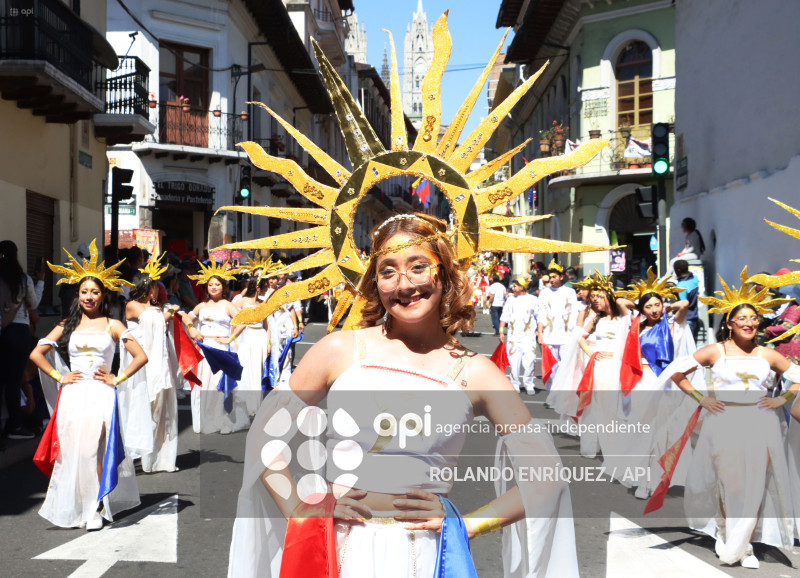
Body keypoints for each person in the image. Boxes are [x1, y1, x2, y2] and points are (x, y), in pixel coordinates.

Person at [228, 213, 578, 577]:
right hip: (337, 552)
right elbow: (265, 436)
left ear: (444, 272)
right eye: (388, 271)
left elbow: (546, 476)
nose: (404, 283)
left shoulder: (476, 372)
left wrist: (468, 525)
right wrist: (299, 510)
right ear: (374, 282)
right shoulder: (339, 350)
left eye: (418, 266)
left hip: (425, 557)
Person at [660, 270, 799, 569]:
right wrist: (702, 398)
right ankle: (725, 531)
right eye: (742, 319)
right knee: (729, 482)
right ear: (729, 323)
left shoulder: (768, 354)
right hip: (723, 420)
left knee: (756, 484)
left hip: (761, 422)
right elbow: (677, 373)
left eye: (753, 318)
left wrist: (781, 399)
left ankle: (744, 545)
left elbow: (797, 379)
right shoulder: (715, 351)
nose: (749, 323)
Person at [30, 240, 146, 530]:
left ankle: (94, 507)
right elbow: (36, 353)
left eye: (94, 292)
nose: (89, 297)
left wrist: (116, 378)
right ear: (78, 294)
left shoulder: (113, 324)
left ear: (103, 294)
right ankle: (79, 504)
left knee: (93, 450)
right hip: (73, 394)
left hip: (101, 394)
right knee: (73, 451)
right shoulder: (68, 323)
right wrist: (60, 377)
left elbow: (141, 356)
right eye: (84, 292)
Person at [547, 271, 634, 484]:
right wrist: (591, 353)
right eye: (593, 296)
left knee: (619, 410)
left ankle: (618, 447)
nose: (595, 299)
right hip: (601, 367)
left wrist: (611, 295)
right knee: (601, 408)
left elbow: (627, 303)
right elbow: (580, 338)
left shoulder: (623, 316)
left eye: (599, 296)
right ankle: (604, 449)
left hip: (620, 367)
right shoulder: (595, 317)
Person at [614, 268, 695, 499]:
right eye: (648, 306)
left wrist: (665, 303)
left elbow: (684, 305)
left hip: (664, 384)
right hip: (643, 382)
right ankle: (643, 480)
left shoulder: (670, 324)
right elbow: (621, 301)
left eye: (657, 305)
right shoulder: (635, 326)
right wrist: (642, 301)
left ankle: (655, 478)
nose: (654, 310)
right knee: (643, 432)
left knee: (661, 433)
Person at [122, 254, 179, 472]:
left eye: (156, 286)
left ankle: (160, 457)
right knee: (140, 407)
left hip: (160, 360)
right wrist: (170, 311)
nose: (156, 290)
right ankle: (139, 453)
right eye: (153, 285)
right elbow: (154, 318)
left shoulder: (159, 307)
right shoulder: (133, 305)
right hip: (140, 362)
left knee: (160, 409)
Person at [182, 262, 250, 434]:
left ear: (223, 286)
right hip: (203, 349)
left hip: (220, 350)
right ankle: (207, 419)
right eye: (211, 284)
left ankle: (225, 420)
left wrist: (231, 338)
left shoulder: (228, 305)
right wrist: (192, 329)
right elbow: (186, 317)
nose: (213, 287)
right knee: (204, 385)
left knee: (220, 385)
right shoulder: (202, 306)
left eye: (217, 284)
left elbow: (243, 321)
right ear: (207, 286)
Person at [0, 239, 45, 440]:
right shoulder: (23, 278)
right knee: (14, 380)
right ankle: (15, 426)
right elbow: (34, 302)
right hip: (19, 332)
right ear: (16, 255)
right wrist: (41, 281)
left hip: (2, 331)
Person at [230, 258, 272, 415]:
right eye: (262, 286)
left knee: (258, 370)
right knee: (246, 368)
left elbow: (267, 326)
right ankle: (244, 403)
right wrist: (233, 340)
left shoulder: (263, 304)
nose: (263, 289)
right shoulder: (241, 301)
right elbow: (234, 321)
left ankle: (255, 404)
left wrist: (268, 343)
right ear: (256, 286)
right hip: (245, 337)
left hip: (260, 338)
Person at [499, 276, 538, 394]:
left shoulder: (533, 299)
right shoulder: (510, 300)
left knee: (530, 360)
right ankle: (515, 383)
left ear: (522, 287)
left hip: (528, 336)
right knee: (513, 361)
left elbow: (538, 316)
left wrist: (539, 331)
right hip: (513, 336)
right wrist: (501, 331)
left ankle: (529, 383)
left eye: (515, 286)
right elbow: (505, 316)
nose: (512, 288)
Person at [536, 259, 578, 364]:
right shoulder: (544, 293)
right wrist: (540, 333)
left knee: (566, 367)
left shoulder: (570, 292)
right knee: (550, 369)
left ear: (561, 277)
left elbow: (574, 313)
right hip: (549, 336)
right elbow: (541, 314)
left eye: (554, 277)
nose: (551, 280)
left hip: (566, 336)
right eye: (550, 277)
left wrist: (574, 332)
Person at [673, 259, 700, 342]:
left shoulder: (681, 286)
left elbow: (683, 304)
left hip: (686, 319)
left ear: (678, 270)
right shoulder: (695, 278)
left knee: (685, 346)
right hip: (695, 316)